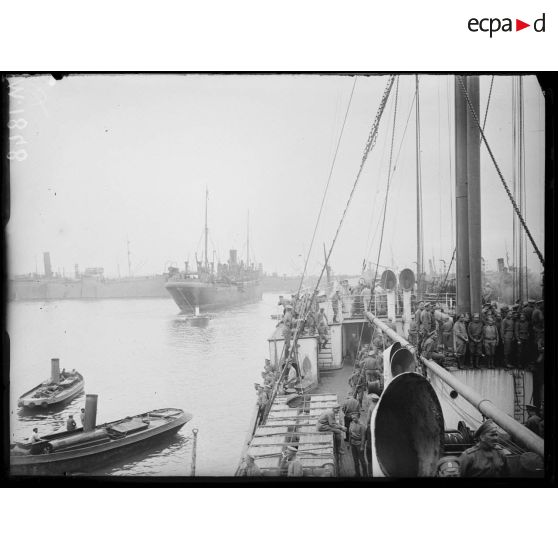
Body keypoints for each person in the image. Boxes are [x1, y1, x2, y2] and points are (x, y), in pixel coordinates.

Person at [348, 412, 367, 477]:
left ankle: (365, 474)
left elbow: (363, 437)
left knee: (362, 460)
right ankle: (357, 474)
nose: (353, 419)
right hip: (353, 444)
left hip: (359, 444)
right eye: (352, 418)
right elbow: (350, 434)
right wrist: (349, 443)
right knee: (355, 460)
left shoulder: (362, 425)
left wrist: (362, 446)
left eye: (354, 418)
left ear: (358, 417)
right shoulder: (351, 423)